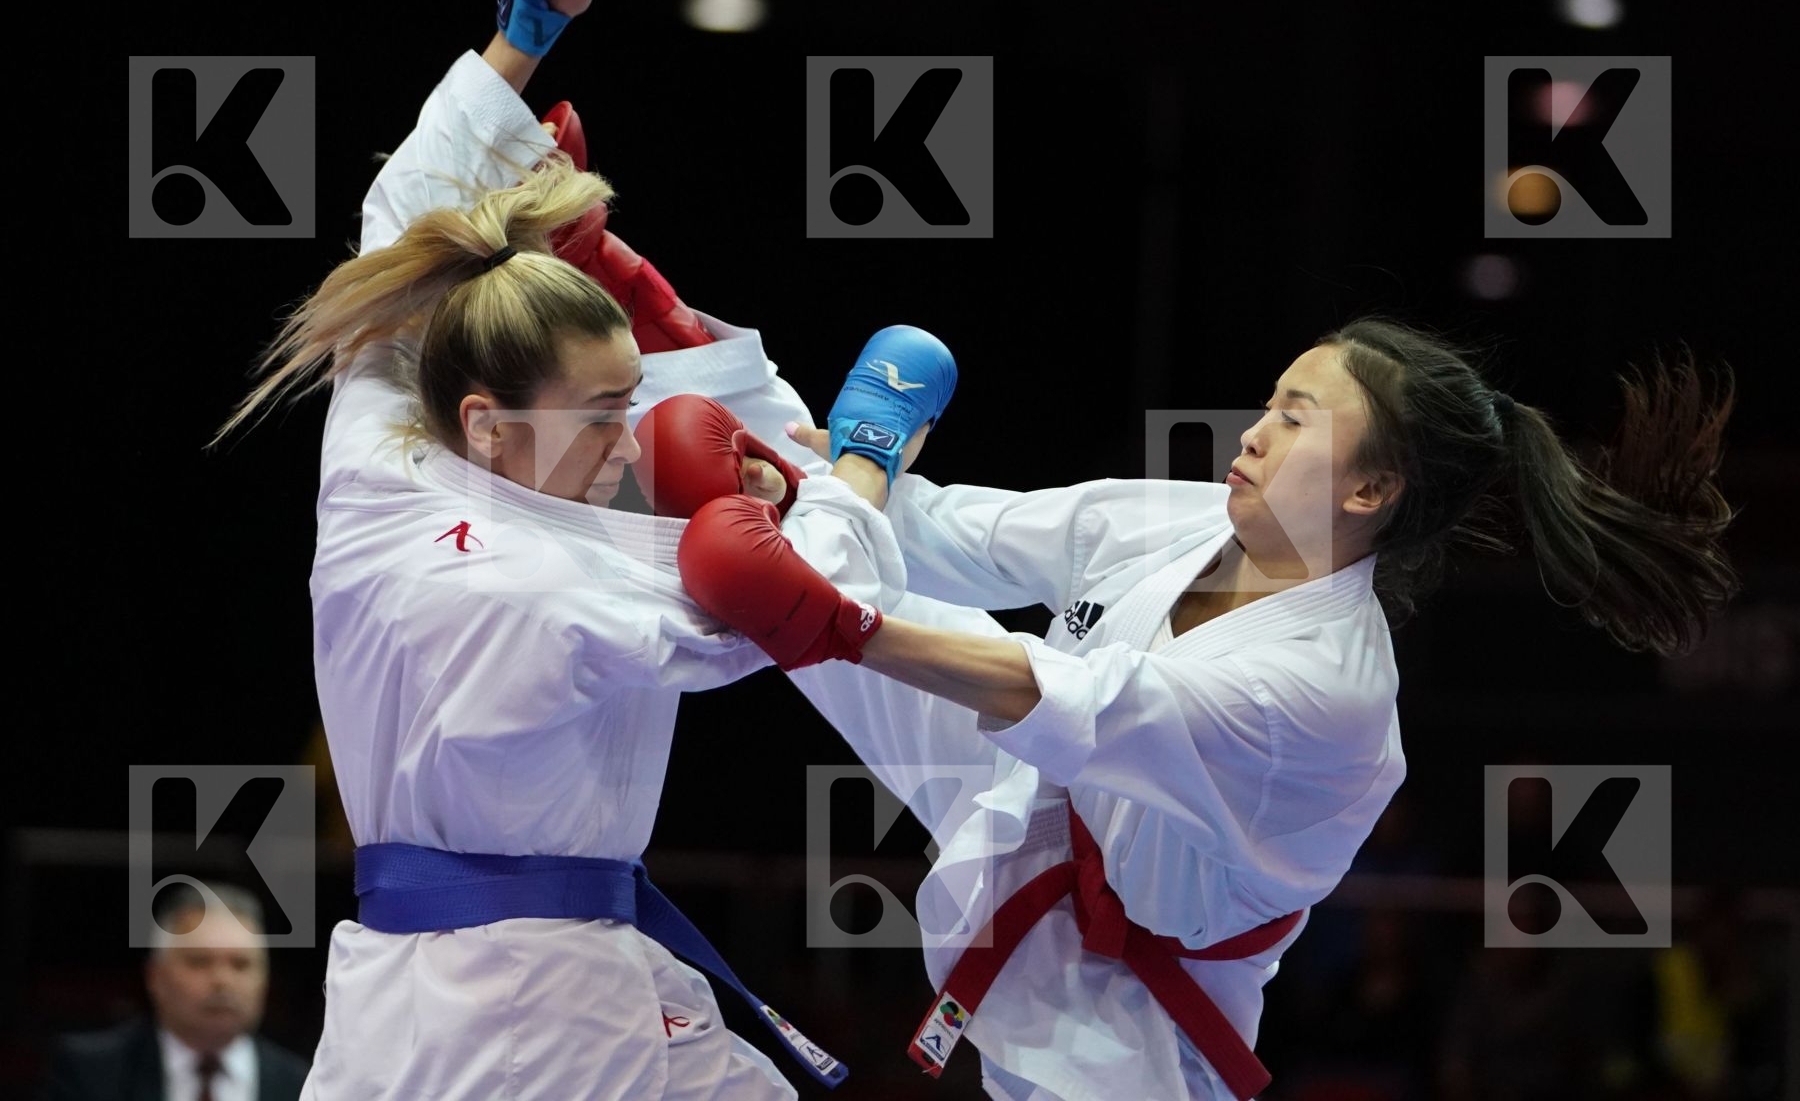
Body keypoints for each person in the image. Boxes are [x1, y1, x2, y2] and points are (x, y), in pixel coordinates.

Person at [215, 0, 954, 1098]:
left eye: (633, 401)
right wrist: (859, 464)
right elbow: (811, 615)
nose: (629, 445)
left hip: (416, 997)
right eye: (603, 414)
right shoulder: (557, 593)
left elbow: (401, 220)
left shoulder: (375, 466)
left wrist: (525, 32)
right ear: (489, 426)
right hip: (535, 1019)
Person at [674, 322, 1741, 1100]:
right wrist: (838, 463)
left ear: (1369, 491)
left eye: (1295, 418)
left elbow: (1069, 697)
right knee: (830, 547)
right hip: (1035, 814)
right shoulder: (1189, 521)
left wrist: (836, 625)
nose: (1257, 430)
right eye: (1270, 400)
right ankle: (649, 307)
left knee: (845, 608)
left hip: (1131, 1029)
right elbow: (957, 532)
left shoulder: (1323, 687)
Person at [39, 882, 310, 1101]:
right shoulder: (90, 1072)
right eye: (199, 962)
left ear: (266, 980)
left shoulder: (305, 1085)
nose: (222, 980)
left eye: (241, 965)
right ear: (155, 977)